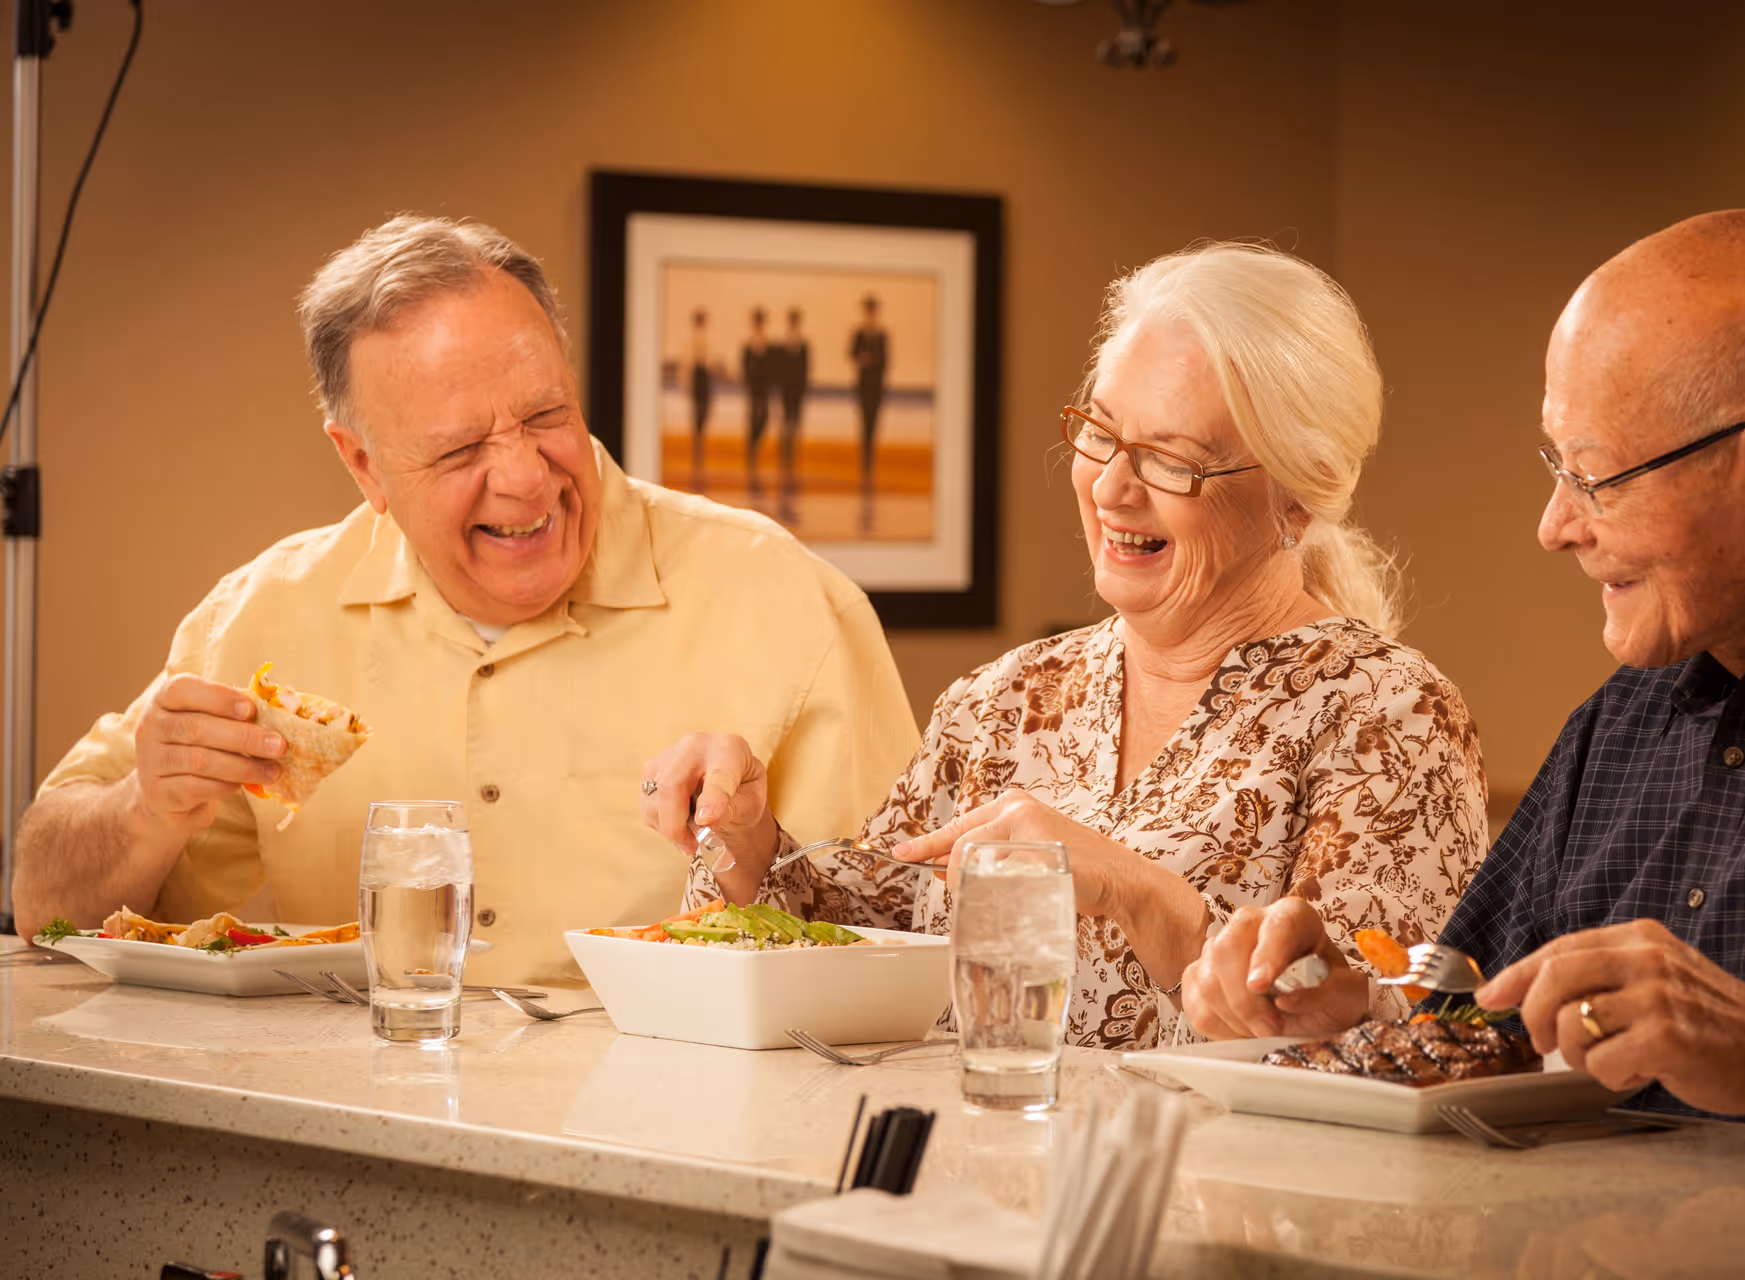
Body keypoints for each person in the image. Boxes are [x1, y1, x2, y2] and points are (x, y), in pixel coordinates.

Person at [9, 215, 921, 985]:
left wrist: (758, 849)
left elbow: (912, 936)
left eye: (545, 416)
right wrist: (143, 808)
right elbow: (42, 910)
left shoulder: (788, 604)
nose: (525, 480)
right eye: (457, 453)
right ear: (361, 463)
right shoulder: (260, 619)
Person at [1181, 211, 1745, 1146]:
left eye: (1596, 476)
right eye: (1555, 466)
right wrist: (1361, 1005)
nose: (1555, 526)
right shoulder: (1614, 731)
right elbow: (1480, 1015)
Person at [642, 243, 1488, 1050]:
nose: (1113, 487)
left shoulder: (1387, 716)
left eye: (1173, 461)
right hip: (978, 1186)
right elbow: (860, 936)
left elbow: (1411, 1037)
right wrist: (749, 838)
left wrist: (1148, 900)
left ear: (1296, 503)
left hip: (1229, 1198)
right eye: (1102, 434)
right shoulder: (1002, 701)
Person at [849, 294, 889, 500]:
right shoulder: (859, 333)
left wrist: (872, 361)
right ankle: (864, 470)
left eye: (873, 309)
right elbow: (851, 354)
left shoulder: (882, 335)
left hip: (876, 390)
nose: (871, 313)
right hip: (863, 390)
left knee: (873, 430)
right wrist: (861, 359)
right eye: (868, 309)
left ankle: (870, 470)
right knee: (864, 429)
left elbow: (886, 360)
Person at [777, 306, 810, 522]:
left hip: (797, 393)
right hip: (786, 393)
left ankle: (792, 459)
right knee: (785, 425)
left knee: (794, 425)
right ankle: (785, 458)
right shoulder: (784, 344)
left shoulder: (803, 344)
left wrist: (802, 389)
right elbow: (779, 369)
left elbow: (806, 370)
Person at [741, 307, 776, 496]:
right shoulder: (749, 344)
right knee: (753, 420)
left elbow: (771, 367)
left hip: (763, 391)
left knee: (764, 419)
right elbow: (745, 367)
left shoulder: (767, 344)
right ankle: (751, 454)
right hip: (754, 391)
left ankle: (755, 451)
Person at [686, 307, 715, 489]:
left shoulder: (707, 342)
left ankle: (700, 467)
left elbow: (710, 366)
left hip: (704, 385)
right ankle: (696, 467)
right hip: (698, 384)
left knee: (701, 427)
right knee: (697, 428)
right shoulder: (691, 343)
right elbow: (688, 368)